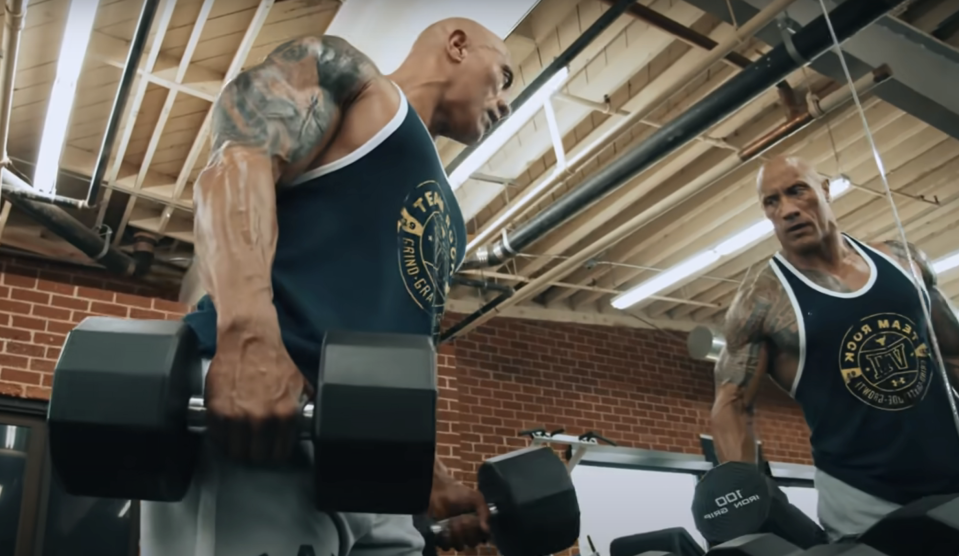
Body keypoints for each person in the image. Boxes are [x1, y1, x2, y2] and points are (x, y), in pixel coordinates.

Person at [139, 17, 514, 556]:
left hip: (368, 459)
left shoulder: (448, 210)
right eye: (503, 76)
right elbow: (234, 167)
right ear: (457, 44)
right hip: (270, 419)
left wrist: (429, 475)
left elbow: (389, 328)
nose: (504, 103)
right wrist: (247, 334)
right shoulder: (354, 81)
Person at [710, 155, 959, 541]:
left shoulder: (903, 261)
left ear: (825, 189)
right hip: (862, 501)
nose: (787, 210)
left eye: (797, 191)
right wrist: (749, 504)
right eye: (771, 202)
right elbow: (731, 404)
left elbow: (954, 355)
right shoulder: (762, 299)